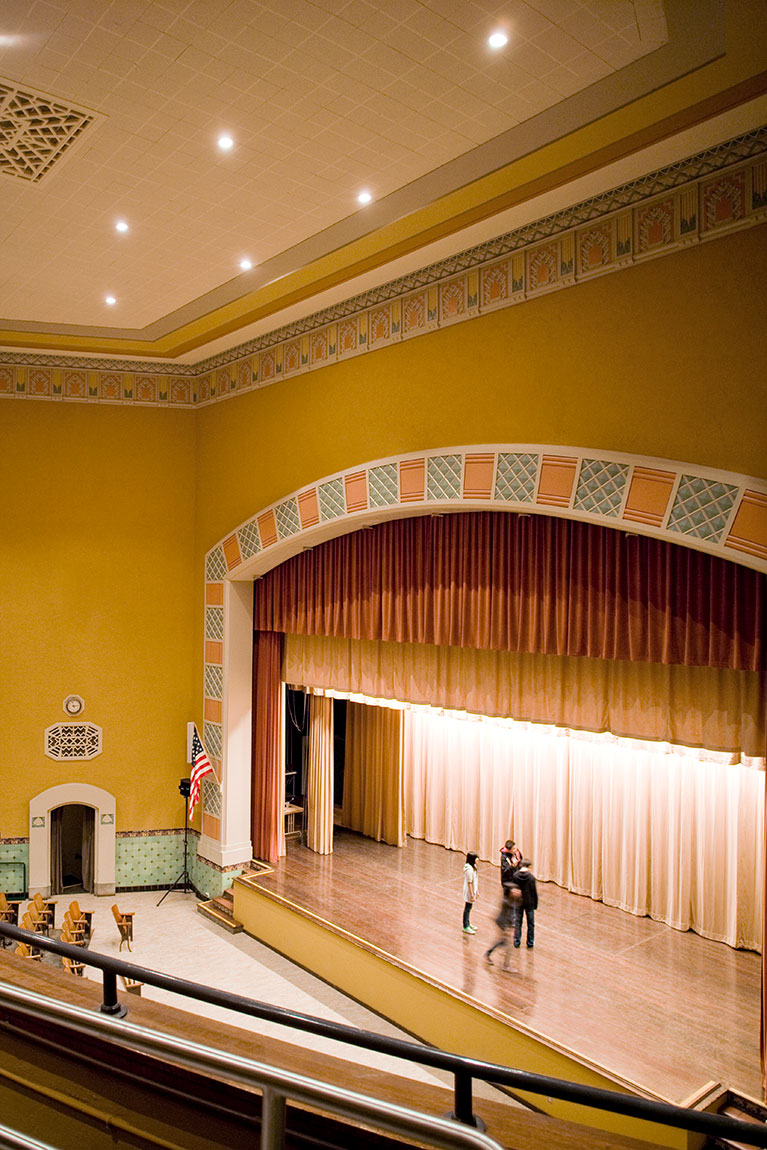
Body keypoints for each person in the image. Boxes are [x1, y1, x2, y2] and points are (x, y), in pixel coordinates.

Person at [484, 885, 521, 969]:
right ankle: (506, 965)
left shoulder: (513, 901)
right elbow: (505, 916)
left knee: (503, 942)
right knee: (508, 944)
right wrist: (508, 929)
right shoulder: (507, 902)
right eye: (515, 891)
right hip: (502, 923)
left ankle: (489, 953)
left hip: (505, 924)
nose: (518, 892)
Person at [513, 859, 538, 948]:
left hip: (518, 902)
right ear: (528, 867)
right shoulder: (531, 878)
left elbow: (513, 889)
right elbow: (533, 892)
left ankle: (516, 942)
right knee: (530, 923)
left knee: (518, 922)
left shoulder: (515, 876)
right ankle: (530, 942)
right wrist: (535, 904)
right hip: (529, 903)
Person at [462, 851, 479, 934]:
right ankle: (465, 926)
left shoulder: (474, 867)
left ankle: (468, 923)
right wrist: (472, 894)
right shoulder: (469, 870)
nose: (478, 860)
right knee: (467, 908)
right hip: (469, 892)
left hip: (472, 890)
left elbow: (475, 880)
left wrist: (477, 891)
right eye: (476, 858)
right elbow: (469, 883)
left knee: (469, 908)